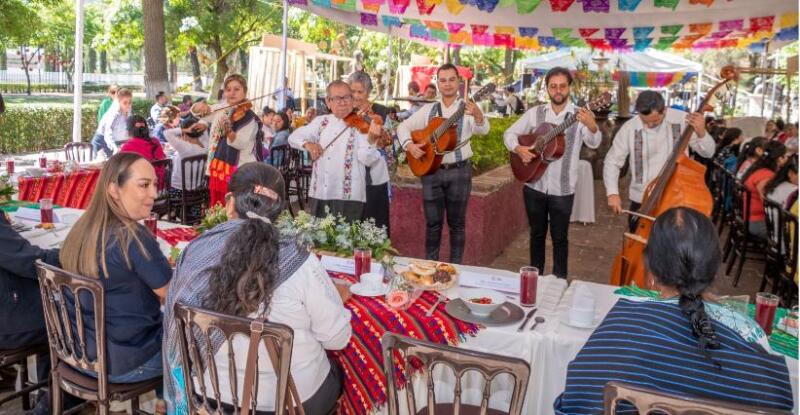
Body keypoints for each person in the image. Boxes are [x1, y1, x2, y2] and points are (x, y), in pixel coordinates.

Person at [554, 207, 794, 415]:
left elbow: (578, 400)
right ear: (712, 267)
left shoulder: (622, 324)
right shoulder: (749, 333)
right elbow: (774, 405)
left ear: (652, 269)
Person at [162, 163, 351, 414]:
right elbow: (337, 339)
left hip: (209, 399)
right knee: (337, 372)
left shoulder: (196, 251)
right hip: (290, 403)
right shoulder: (301, 261)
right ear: (280, 211)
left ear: (229, 202)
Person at [59, 152, 171, 385]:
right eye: (144, 185)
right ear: (113, 189)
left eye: (155, 185)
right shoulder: (133, 237)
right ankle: (171, 405)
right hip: (124, 361)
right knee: (197, 342)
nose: (154, 194)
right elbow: (173, 295)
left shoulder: (81, 229)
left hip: (78, 352)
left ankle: (162, 402)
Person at [503, 67, 601, 278]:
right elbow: (509, 133)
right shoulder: (535, 113)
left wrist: (592, 126)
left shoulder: (581, 115)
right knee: (536, 235)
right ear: (547, 88)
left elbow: (594, 142)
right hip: (533, 184)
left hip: (563, 189)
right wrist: (519, 149)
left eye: (562, 86)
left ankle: (559, 281)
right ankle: (534, 279)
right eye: (553, 86)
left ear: (569, 88)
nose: (558, 90)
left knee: (560, 239)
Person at [397, 64, 489, 264]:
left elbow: (483, 130)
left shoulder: (468, 108)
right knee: (433, 224)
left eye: (451, 79)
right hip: (431, 172)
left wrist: (480, 116)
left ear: (459, 83)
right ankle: (430, 267)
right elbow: (403, 126)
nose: (447, 84)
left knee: (457, 224)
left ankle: (455, 269)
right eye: (443, 80)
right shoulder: (429, 109)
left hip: (459, 172)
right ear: (438, 84)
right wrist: (409, 146)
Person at [603, 90, 715, 232]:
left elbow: (708, 152)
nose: (649, 125)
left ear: (665, 110)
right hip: (642, 199)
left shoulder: (684, 120)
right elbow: (612, 161)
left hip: (676, 198)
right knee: (637, 242)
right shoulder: (630, 127)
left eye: (655, 121)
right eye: (645, 121)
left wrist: (701, 133)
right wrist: (612, 192)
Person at [288, 80, 383, 221]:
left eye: (347, 97)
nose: (343, 102)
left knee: (345, 241)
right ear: (328, 102)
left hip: (349, 197)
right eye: (337, 98)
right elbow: (294, 137)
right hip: (319, 193)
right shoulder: (321, 121)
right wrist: (308, 144)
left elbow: (367, 160)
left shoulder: (362, 125)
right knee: (318, 239)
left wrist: (371, 141)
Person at [207, 74, 265, 207]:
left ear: (245, 91)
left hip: (241, 171)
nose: (232, 93)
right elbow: (204, 114)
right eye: (228, 89)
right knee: (218, 209)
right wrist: (199, 109)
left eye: (236, 89)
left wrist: (228, 131)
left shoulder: (250, 118)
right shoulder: (224, 109)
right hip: (221, 168)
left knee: (235, 210)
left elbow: (239, 143)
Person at [349, 71, 394, 233]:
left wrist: (380, 138)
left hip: (374, 178)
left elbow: (389, 147)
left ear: (368, 92)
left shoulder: (380, 113)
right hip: (350, 176)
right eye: (352, 91)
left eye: (359, 92)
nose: (355, 96)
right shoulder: (344, 113)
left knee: (375, 224)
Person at [165, 112, 209, 221]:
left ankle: (173, 213)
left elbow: (167, 133)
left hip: (179, 191)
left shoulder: (185, 148)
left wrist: (185, 130)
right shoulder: (206, 145)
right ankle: (191, 218)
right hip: (197, 190)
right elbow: (203, 132)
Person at [743, 141, 789, 238]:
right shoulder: (766, 176)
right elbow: (768, 205)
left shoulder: (758, 168)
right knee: (793, 233)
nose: (787, 160)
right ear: (779, 159)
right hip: (757, 222)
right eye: (785, 156)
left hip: (751, 218)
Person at [91, 88, 133, 158]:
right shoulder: (113, 115)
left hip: (116, 143)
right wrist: (114, 148)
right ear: (119, 102)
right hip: (102, 143)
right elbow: (107, 134)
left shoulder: (129, 113)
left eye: (130, 102)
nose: (128, 105)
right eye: (125, 103)